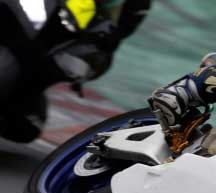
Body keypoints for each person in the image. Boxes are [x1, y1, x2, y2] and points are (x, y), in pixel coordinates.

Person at [0, 0, 151, 142]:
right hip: (22, 21)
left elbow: (118, 32)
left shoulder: (116, 15)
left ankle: (21, 95)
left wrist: (102, 38)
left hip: (60, 37)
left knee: (26, 127)